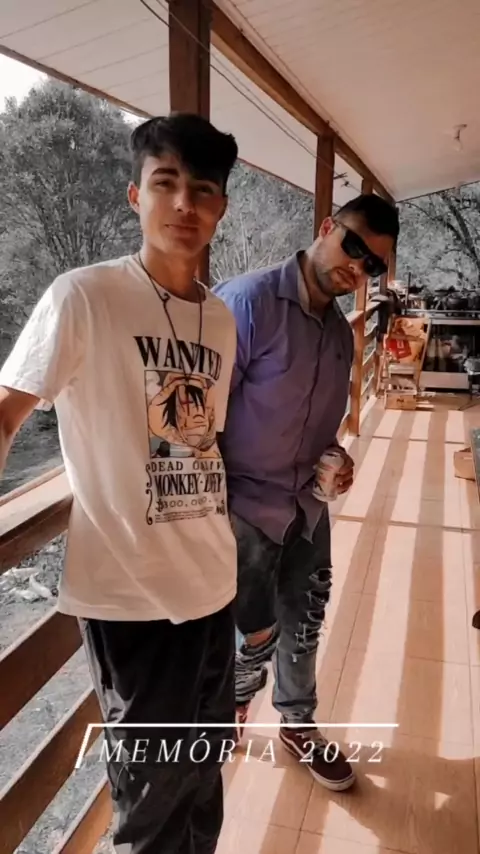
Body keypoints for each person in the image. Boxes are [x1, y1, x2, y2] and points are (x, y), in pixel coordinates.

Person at [0, 113, 240, 854]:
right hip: (132, 598)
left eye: (203, 190)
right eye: (165, 183)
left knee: (203, 781)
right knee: (150, 803)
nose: (184, 204)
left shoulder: (221, 320)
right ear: (136, 196)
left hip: (214, 584)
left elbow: (201, 445)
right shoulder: (84, 296)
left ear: (221, 208)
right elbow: (7, 413)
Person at [213, 193, 399, 792]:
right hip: (243, 511)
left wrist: (337, 461)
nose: (358, 267)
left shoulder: (341, 334)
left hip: (307, 510)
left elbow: (322, 432)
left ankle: (298, 724)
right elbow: (200, 420)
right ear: (326, 227)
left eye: (373, 265)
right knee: (250, 635)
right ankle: (230, 709)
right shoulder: (247, 303)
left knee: (305, 623)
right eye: (354, 246)